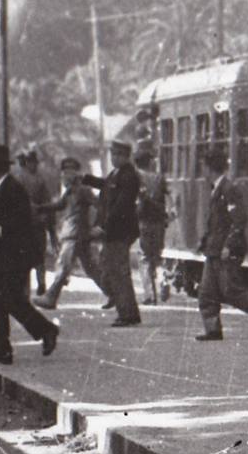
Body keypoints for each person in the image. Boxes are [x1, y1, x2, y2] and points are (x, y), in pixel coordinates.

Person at [0, 141, 59, 363]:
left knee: (8, 301)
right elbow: (0, 215)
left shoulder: (12, 188)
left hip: (14, 256)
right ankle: (1, 351)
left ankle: (43, 332)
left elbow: (18, 221)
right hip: (2, 257)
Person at [195, 146, 248, 339]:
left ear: (209, 168)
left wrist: (229, 245)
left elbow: (239, 219)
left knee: (230, 290)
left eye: (203, 166)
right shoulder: (217, 189)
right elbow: (216, 222)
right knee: (206, 292)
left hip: (226, 250)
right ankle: (212, 330)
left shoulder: (229, 189)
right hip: (214, 249)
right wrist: (205, 241)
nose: (202, 171)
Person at [82, 140, 143, 326]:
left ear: (126, 156)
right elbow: (107, 185)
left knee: (118, 272)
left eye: (118, 155)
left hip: (119, 231)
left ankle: (128, 314)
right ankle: (124, 308)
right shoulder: (117, 173)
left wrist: (104, 227)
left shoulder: (128, 176)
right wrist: (86, 179)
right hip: (114, 231)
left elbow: (120, 206)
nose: (115, 158)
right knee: (110, 269)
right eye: (113, 155)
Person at [33, 156, 99, 308]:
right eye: (63, 173)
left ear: (74, 174)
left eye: (67, 173)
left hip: (75, 235)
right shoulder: (70, 191)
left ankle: (50, 298)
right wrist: (41, 208)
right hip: (75, 235)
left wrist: (98, 225)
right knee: (91, 268)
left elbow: (99, 205)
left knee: (63, 266)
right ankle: (113, 294)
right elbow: (59, 205)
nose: (64, 176)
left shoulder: (83, 190)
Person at [15, 149, 56, 297]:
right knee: (33, 257)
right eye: (32, 163)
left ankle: (39, 285)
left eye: (35, 163)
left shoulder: (33, 179)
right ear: (28, 163)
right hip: (29, 223)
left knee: (35, 256)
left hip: (33, 223)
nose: (35, 165)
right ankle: (34, 285)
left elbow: (46, 201)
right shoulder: (26, 178)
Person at [135, 144, 172, 305]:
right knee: (157, 256)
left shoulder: (136, 178)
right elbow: (169, 195)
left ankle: (150, 295)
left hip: (142, 222)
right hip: (158, 223)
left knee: (144, 258)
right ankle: (165, 279)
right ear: (149, 162)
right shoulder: (159, 178)